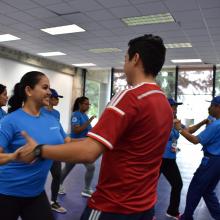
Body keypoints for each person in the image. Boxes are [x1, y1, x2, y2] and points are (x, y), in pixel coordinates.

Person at [16, 34, 173, 220]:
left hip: (114, 206)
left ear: (135, 59)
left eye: (125, 59)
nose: (124, 66)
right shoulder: (163, 103)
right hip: (145, 206)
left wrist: (38, 150)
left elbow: (89, 153)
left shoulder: (130, 97)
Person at [0, 71, 68, 220]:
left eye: (49, 88)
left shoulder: (52, 120)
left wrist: (98, 140)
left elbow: (68, 143)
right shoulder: (10, 121)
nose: (49, 92)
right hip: (6, 192)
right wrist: (14, 156)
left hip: (35, 193)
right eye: (45, 87)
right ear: (29, 90)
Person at [160, 98, 209, 220]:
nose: (176, 108)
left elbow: (187, 131)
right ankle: (146, 213)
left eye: (176, 106)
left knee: (177, 184)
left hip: (170, 159)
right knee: (149, 185)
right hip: (159, 158)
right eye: (173, 106)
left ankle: (172, 211)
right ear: (167, 107)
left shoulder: (175, 121)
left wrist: (202, 123)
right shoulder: (160, 120)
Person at [173, 96, 220, 220]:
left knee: (196, 187)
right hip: (217, 162)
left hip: (211, 161)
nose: (209, 108)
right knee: (208, 191)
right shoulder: (214, 122)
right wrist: (203, 122)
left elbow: (195, 140)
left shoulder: (216, 125)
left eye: (212, 106)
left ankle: (187, 217)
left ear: (218, 107)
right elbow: (189, 130)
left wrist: (178, 129)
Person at [59, 96, 96, 198]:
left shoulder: (84, 115)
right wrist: (89, 121)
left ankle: (86, 189)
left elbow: (89, 130)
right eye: (86, 104)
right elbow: (77, 130)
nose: (88, 106)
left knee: (91, 167)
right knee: (68, 168)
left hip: (83, 146)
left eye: (89, 104)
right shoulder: (76, 115)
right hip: (74, 146)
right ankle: (58, 184)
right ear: (80, 104)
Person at [42, 88, 70, 213]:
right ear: (49, 98)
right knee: (38, 177)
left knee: (57, 176)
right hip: (42, 150)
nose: (57, 100)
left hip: (55, 151)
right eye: (56, 98)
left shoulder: (56, 114)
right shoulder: (39, 111)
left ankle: (53, 201)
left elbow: (58, 130)